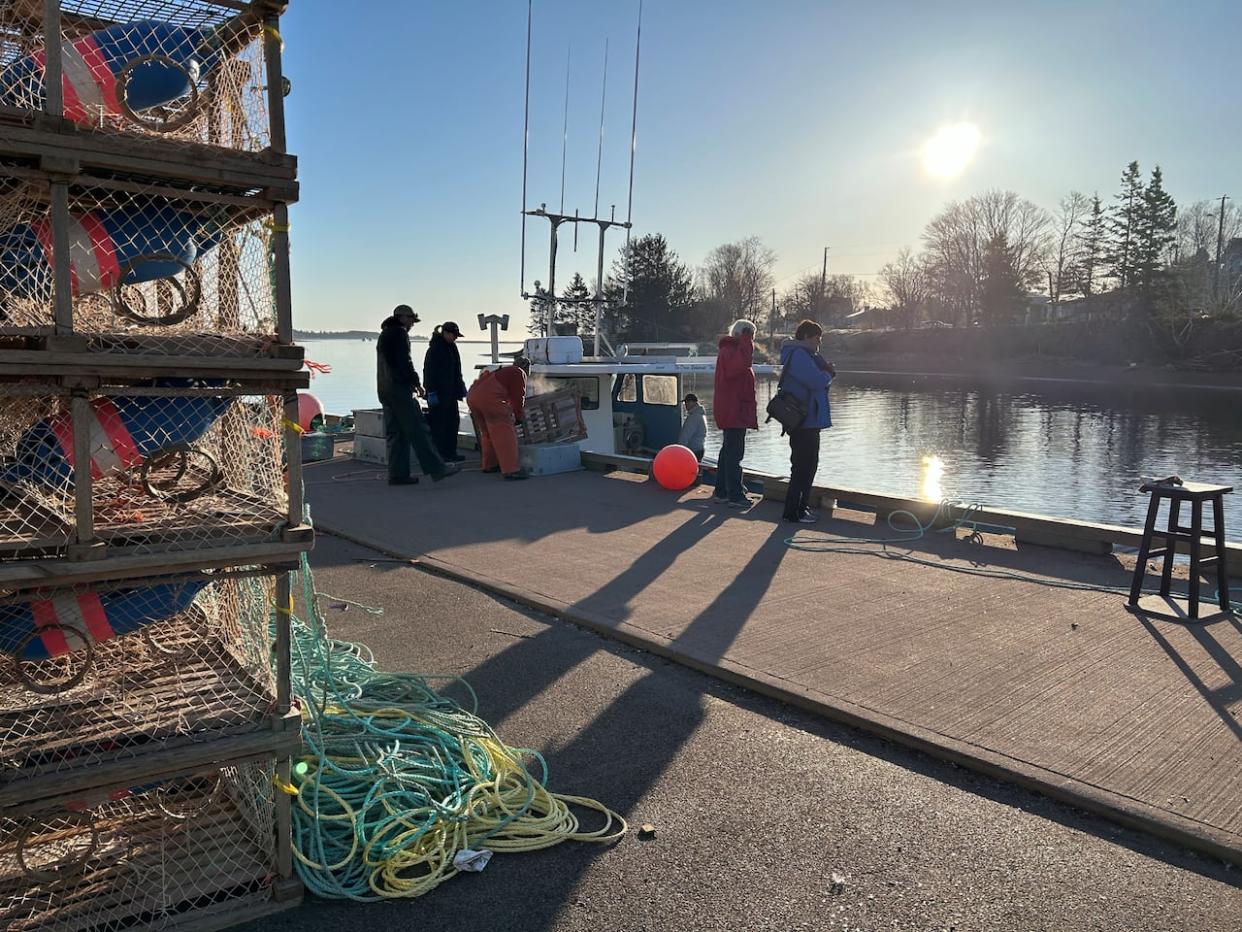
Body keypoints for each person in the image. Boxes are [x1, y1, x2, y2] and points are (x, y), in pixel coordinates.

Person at [376, 305, 460, 486]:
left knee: (397, 433)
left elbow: (389, 364)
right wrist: (415, 383)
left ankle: (398, 474)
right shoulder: (399, 334)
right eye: (411, 320)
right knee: (419, 429)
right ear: (403, 318)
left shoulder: (384, 335)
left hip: (384, 390)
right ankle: (438, 468)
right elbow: (404, 361)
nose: (413, 324)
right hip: (399, 390)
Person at [778, 319, 834, 523]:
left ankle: (798, 509)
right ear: (805, 337)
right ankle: (795, 512)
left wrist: (825, 372)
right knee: (804, 466)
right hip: (804, 421)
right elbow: (816, 381)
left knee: (806, 465)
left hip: (807, 419)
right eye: (816, 338)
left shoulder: (805, 355)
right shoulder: (800, 355)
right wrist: (827, 373)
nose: (819, 343)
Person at [712, 319, 758, 507]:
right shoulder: (732, 352)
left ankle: (722, 491)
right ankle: (734, 495)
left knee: (727, 451)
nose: (753, 340)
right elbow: (742, 364)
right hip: (734, 410)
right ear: (742, 334)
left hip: (731, 408)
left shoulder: (728, 351)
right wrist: (746, 342)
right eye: (751, 335)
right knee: (734, 454)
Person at [466, 359, 530, 480]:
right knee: (505, 432)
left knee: (487, 433)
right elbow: (518, 397)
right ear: (526, 367)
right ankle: (511, 470)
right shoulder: (518, 372)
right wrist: (518, 417)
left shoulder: (502, 371)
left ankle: (490, 464)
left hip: (473, 396)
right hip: (489, 398)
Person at [422, 321, 467, 462]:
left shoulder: (452, 348)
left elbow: (457, 370)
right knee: (439, 424)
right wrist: (430, 392)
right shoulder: (434, 350)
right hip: (438, 393)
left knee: (453, 422)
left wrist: (460, 387)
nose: (455, 338)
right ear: (446, 333)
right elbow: (428, 372)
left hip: (451, 392)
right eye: (454, 335)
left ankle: (450, 451)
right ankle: (439, 454)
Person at [677, 393, 706, 462]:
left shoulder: (693, 418)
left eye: (687, 402)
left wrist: (678, 452)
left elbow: (685, 436)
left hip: (693, 452)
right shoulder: (700, 415)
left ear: (693, 402)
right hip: (699, 450)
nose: (685, 405)